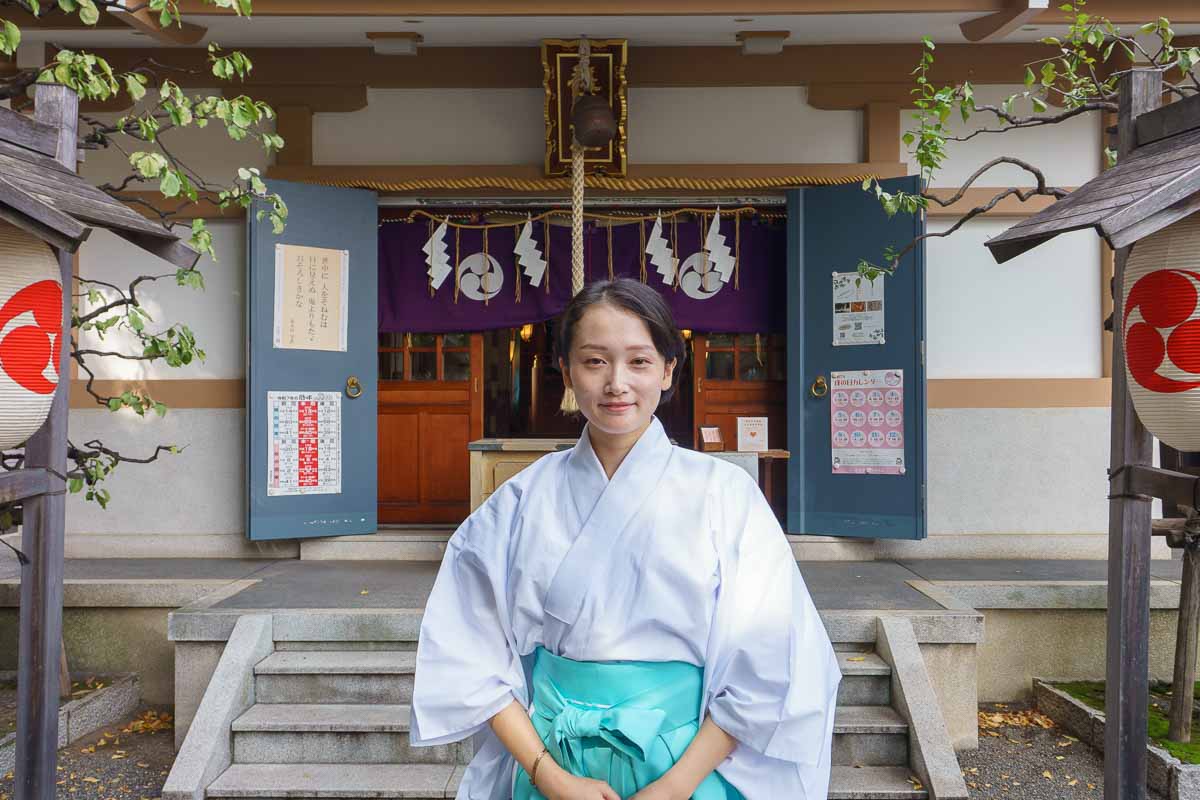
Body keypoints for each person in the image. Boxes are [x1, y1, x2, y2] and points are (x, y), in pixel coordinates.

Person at [410, 278, 841, 800]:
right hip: (549, 762)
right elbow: (468, 649)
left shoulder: (725, 495)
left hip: (689, 766)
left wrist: (677, 785)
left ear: (668, 370)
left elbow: (772, 657)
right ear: (565, 371)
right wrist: (548, 774)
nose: (617, 382)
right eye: (595, 361)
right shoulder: (519, 501)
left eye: (638, 361)